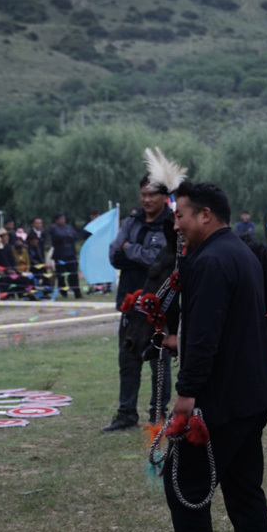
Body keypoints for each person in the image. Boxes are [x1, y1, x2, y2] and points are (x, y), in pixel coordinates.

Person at [150, 180, 267, 532]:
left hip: (220, 398)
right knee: (244, 485)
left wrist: (185, 398)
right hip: (254, 393)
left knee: (184, 482)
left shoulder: (211, 262)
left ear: (205, 215)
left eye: (181, 215)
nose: (175, 225)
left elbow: (204, 336)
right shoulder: (239, 252)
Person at [101, 176, 175, 432]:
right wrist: (132, 252)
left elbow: (159, 260)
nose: (146, 199)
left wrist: (129, 249)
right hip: (129, 304)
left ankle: (158, 414)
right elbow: (113, 254)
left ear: (164, 196)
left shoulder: (171, 224)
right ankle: (126, 413)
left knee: (159, 362)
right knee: (128, 359)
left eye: (151, 195)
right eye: (143, 194)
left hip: (157, 306)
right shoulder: (131, 222)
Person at [48, 213, 82, 298]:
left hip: (71, 254)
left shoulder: (69, 227)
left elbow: (75, 236)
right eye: (61, 219)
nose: (63, 220)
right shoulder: (54, 228)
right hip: (60, 255)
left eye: (64, 218)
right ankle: (63, 292)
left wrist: (66, 238)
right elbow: (58, 237)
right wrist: (67, 237)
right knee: (61, 275)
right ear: (56, 220)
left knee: (73, 274)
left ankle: (77, 292)